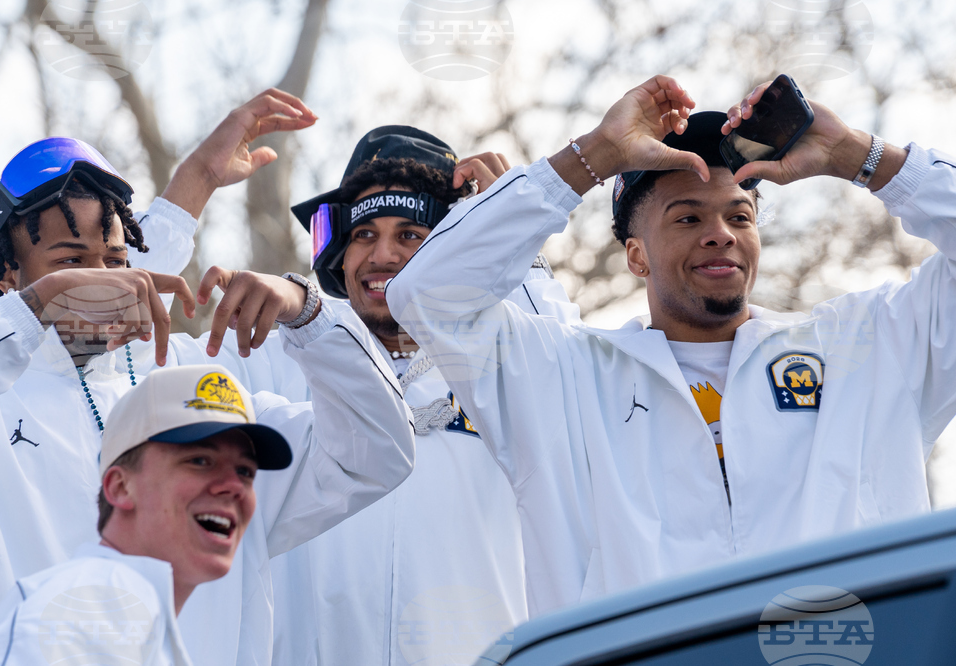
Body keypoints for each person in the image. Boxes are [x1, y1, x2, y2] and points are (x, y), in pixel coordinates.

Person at [386, 74, 956, 616]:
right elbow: (427, 293)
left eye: (740, 215)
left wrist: (860, 156)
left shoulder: (867, 350)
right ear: (636, 255)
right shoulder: (559, 378)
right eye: (687, 217)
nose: (721, 233)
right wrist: (592, 158)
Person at [0, 89, 417, 660]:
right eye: (68, 264)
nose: (104, 281)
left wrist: (310, 313)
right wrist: (35, 309)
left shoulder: (196, 385)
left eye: (117, 262)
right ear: (6, 274)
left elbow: (378, 451)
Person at [262, 126, 579, 666]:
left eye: (411, 234)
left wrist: (516, 237)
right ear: (338, 251)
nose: (381, 255)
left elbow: (573, 384)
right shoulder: (278, 358)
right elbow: (123, 376)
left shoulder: (511, 363)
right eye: (363, 235)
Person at [0, 364, 293, 666]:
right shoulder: (73, 622)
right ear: (119, 487)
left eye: (246, 472)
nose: (233, 486)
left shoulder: (127, 622)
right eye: (200, 461)